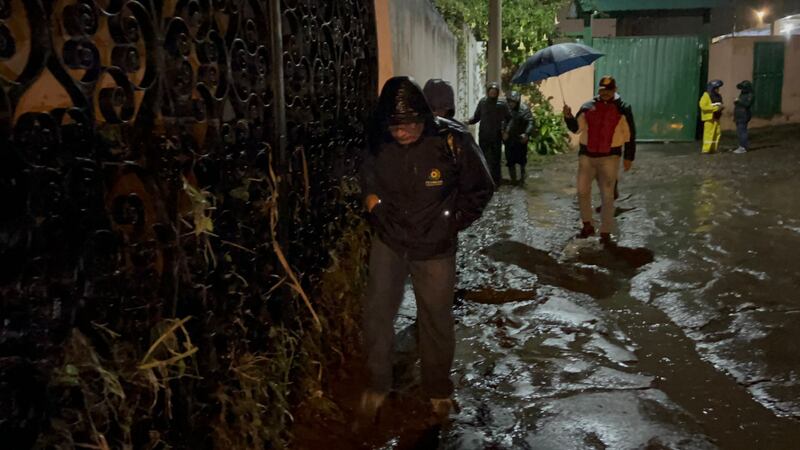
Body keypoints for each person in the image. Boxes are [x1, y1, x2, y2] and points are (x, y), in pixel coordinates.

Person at [358, 76, 494, 424]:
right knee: (377, 313)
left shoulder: (452, 139)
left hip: (435, 248)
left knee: (435, 318)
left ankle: (437, 388)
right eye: (395, 127)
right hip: (389, 241)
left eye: (410, 125)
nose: (402, 133)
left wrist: (450, 223)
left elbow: (480, 188)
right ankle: (377, 383)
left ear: (424, 117)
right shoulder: (378, 137)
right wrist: (372, 203)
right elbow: (365, 173)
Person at [563, 75, 636, 244]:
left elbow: (630, 135)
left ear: (615, 90)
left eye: (609, 90)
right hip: (587, 156)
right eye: (602, 90)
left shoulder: (623, 109)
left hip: (610, 157)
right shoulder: (588, 107)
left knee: (607, 196)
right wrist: (568, 117)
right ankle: (587, 225)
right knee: (582, 191)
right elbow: (577, 129)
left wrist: (629, 157)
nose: (605, 93)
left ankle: (605, 232)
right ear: (599, 90)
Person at [468, 81, 511, 185]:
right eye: (491, 91)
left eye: (494, 92)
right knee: (484, 157)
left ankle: (497, 180)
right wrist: (468, 121)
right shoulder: (482, 102)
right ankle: (485, 180)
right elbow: (477, 117)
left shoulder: (502, 104)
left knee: (496, 159)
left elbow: (510, 119)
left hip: (496, 136)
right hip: (484, 135)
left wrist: (506, 131)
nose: (492, 93)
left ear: (497, 92)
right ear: (488, 92)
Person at [503, 90, 534, 185]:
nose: (511, 104)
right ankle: (513, 179)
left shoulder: (524, 109)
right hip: (509, 138)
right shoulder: (506, 109)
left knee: (522, 159)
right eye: (509, 101)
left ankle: (522, 178)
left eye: (513, 102)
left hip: (520, 137)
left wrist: (526, 133)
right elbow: (502, 121)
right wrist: (503, 132)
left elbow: (530, 122)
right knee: (510, 159)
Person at [699, 79, 724, 154]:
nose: (718, 89)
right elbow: (703, 106)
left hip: (716, 117)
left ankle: (713, 149)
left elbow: (720, 103)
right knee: (708, 134)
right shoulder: (706, 95)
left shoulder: (719, 96)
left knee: (717, 133)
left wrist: (721, 107)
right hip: (709, 118)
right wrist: (715, 108)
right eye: (716, 88)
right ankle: (706, 149)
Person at [733, 80, 754, 154]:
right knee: (740, 131)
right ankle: (741, 146)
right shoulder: (743, 94)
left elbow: (747, 104)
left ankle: (743, 147)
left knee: (742, 131)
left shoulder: (750, 95)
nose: (742, 90)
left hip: (744, 115)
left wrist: (739, 101)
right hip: (739, 115)